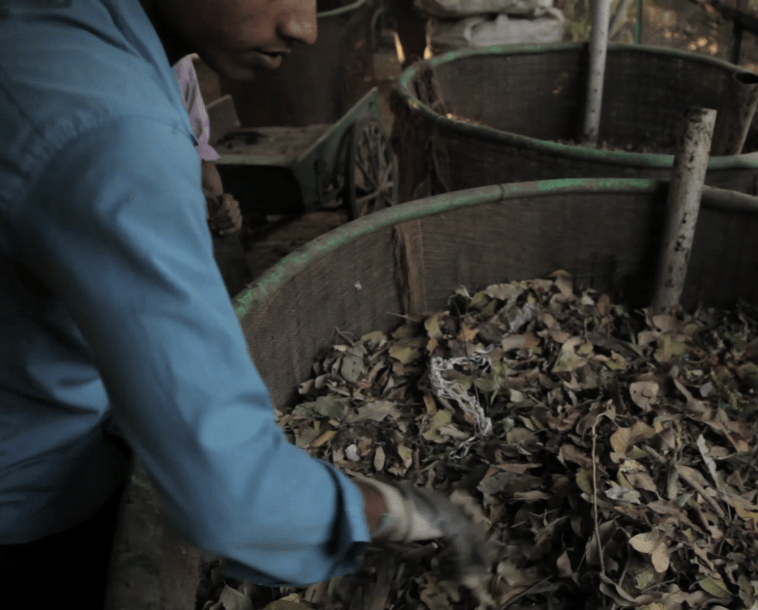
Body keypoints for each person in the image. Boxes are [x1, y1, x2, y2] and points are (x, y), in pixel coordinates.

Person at [0, 1, 485, 607]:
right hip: (28, 510)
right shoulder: (113, 133)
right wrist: (400, 513)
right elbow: (232, 494)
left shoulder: (51, 30)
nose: (305, 27)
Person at [173, 53, 254, 295]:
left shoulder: (180, 66)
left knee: (229, 259)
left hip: (193, 210)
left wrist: (224, 209)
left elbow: (203, 157)